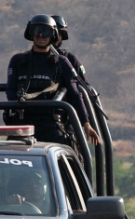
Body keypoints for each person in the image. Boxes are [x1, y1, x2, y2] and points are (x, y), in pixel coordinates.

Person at [6, 14, 100, 147]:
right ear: (30, 33)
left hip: (51, 123)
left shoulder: (62, 62)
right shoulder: (18, 61)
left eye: (46, 32)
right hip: (23, 123)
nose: (40, 36)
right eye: (36, 31)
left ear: (53, 35)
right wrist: (15, 106)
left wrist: (86, 124)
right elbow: (10, 89)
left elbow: (75, 94)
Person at [50, 15, 90, 87]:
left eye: (58, 35)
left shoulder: (70, 59)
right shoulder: (29, 60)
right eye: (52, 35)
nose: (55, 38)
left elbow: (85, 86)